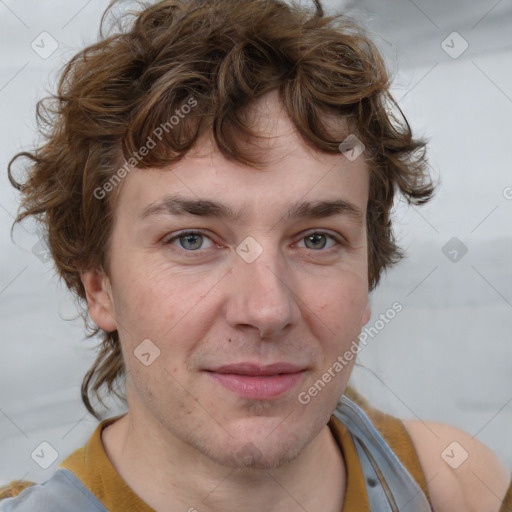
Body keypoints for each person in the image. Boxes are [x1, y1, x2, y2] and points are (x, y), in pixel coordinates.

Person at [1, 0, 511, 510]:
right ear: (99, 285)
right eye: (192, 240)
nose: (267, 310)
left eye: (316, 239)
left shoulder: (455, 487)